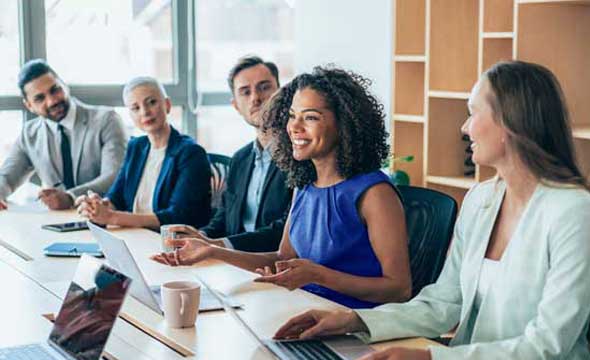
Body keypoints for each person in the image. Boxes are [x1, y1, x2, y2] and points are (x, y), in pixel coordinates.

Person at [272, 61, 590, 360]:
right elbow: (442, 304)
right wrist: (354, 321)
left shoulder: (574, 213)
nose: (465, 128)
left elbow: (546, 346)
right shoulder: (481, 200)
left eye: (473, 113)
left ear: (510, 123)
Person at [153, 67, 412, 309]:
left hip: (354, 327)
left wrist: (319, 276)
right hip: (303, 309)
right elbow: (281, 259)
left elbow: (398, 289)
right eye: (292, 116)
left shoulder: (374, 193)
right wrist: (212, 250)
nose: (294, 128)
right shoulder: (305, 184)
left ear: (344, 124)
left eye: (310, 117)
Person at [167, 55, 292, 251]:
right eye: (245, 92)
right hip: (233, 263)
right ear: (235, 105)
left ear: (280, 93)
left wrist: (217, 246)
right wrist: (201, 236)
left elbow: (285, 230)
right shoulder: (240, 159)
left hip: (275, 267)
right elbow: (225, 216)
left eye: (264, 87)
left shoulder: (298, 156)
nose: (256, 98)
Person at [75, 77, 211, 229]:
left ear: (167, 105)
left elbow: (177, 216)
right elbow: (116, 197)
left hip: (170, 243)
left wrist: (112, 217)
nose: (145, 112)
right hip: (134, 235)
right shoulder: (136, 147)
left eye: (152, 102)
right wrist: (97, 207)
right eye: (135, 108)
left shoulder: (191, 153)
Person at [0, 59, 127, 210]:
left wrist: (70, 197)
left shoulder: (107, 120)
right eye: (40, 98)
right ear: (29, 106)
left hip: (108, 220)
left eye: (55, 90)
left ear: (64, 85)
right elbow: (7, 177)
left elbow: (114, 176)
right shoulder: (30, 134)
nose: (52, 101)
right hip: (58, 224)